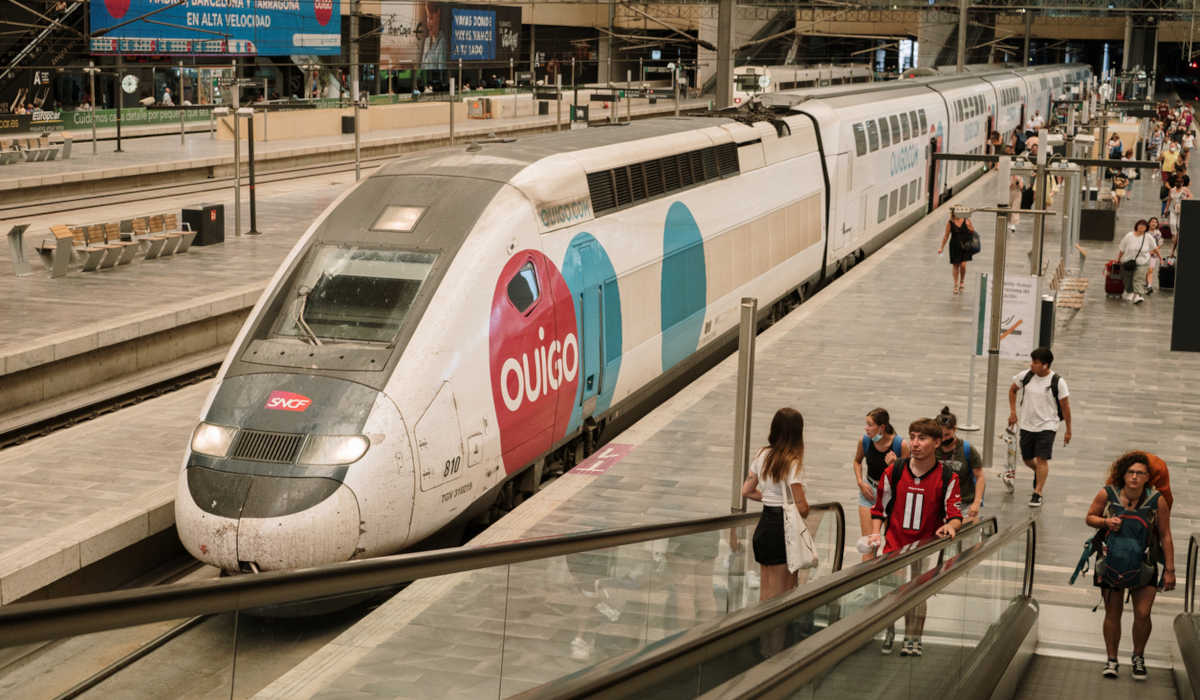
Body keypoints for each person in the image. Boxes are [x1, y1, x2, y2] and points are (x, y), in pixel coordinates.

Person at [868, 418, 963, 657]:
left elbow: (954, 513)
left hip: (924, 545)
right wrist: (874, 533)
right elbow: (879, 507)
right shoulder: (895, 470)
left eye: (922, 438)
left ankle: (913, 637)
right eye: (913, 437)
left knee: (918, 591)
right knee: (895, 591)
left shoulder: (947, 477)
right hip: (895, 544)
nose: (915, 443)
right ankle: (890, 631)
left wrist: (951, 526)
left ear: (937, 442)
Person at [1087, 452, 1175, 680]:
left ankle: (1138, 656)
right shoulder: (1107, 494)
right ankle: (1112, 659)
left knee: (1143, 614)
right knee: (1112, 613)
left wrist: (1170, 569)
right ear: (1123, 475)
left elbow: (1165, 535)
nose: (1135, 477)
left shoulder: (1158, 500)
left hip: (1144, 563)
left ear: (1148, 477)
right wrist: (1106, 521)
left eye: (1140, 473)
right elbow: (1090, 517)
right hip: (1112, 562)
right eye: (1131, 472)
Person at [742, 408, 810, 604]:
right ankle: (777, 635)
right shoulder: (792, 463)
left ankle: (761, 633)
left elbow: (746, 490)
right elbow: (802, 507)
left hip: (764, 528)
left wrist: (769, 498)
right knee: (782, 598)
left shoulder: (762, 454)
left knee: (766, 594)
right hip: (783, 533)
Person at [1007, 347, 1072, 507]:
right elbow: (1013, 390)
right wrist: (1013, 412)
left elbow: (1065, 406)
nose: (1031, 365)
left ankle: (1038, 492)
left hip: (1048, 425)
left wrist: (1068, 430)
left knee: (1042, 458)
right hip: (1028, 424)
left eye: (1035, 363)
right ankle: (1040, 473)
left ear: (1045, 365)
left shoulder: (1057, 382)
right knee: (1027, 459)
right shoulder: (1026, 376)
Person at [851, 408, 908, 562]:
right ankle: (866, 582)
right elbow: (857, 461)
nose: (866, 428)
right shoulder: (865, 441)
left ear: (881, 427)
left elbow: (909, 475)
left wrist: (896, 465)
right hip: (870, 493)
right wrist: (860, 482)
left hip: (892, 497)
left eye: (870, 425)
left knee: (893, 547)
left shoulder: (900, 445)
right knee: (869, 545)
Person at [935, 407, 984, 522]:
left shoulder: (967, 449)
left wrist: (977, 502)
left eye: (947, 435)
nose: (944, 439)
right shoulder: (933, 448)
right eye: (940, 436)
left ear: (955, 429)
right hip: (939, 503)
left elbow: (980, 476)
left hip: (964, 503)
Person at [1117, 219, 1158, 304]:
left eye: (1144, 226)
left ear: (1146, 228)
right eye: (1140, 225)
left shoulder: (1148, 237)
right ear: (1136, 226)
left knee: (1139, 278)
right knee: (1127, 279)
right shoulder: (1129, 236)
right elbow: (1122, 249)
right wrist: (1118, 259)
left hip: (1142, 261)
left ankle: (1138, 295)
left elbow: (1155, 248)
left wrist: (1160, 257)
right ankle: (1130, 292)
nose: (1141, 227)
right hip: (1128, 261)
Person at [938, 206, 977, 295]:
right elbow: (946, 236)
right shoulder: (950, 222)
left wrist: (968, 225)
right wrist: (941, 247)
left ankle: (962, 281)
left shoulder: (966, 220)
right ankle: (955, 284)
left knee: (963, 265)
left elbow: (973, 231)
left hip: (965, 245)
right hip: (954, 246)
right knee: (956, 266)